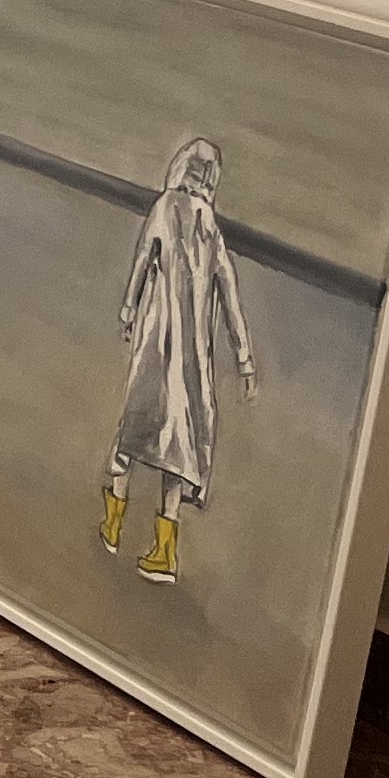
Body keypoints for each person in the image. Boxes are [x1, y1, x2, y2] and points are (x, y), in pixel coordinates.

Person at [103, 136, 259, 586]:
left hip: (156, 344)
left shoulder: (165, 207)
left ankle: (113, 522)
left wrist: (128, 309)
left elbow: (142, 260)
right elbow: (230, 296)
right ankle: (164, 550)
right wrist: (245, 359)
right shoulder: (211, 229)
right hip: (192, 358)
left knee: (133, 427)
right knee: (179, 444)